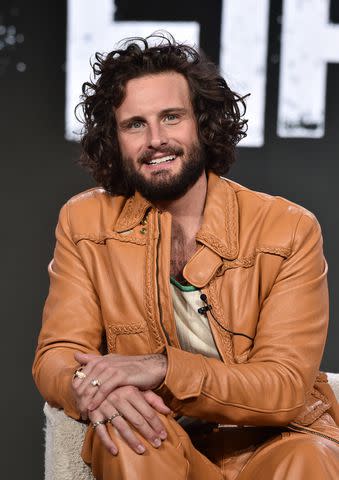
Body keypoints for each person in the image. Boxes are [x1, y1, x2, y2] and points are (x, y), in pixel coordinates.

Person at [33, 34, 339, 479]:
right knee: (128, 433)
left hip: (273, 442)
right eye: (134, 124)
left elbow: (284, 388)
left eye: (171, 117)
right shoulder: (85, 221)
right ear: (114, 138)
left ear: (202, 123)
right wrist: (95, 387)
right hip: (162, 432)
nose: (156, 139)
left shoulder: (288, 228)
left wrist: (161, 368)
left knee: (310, 459)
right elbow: (59, 353)